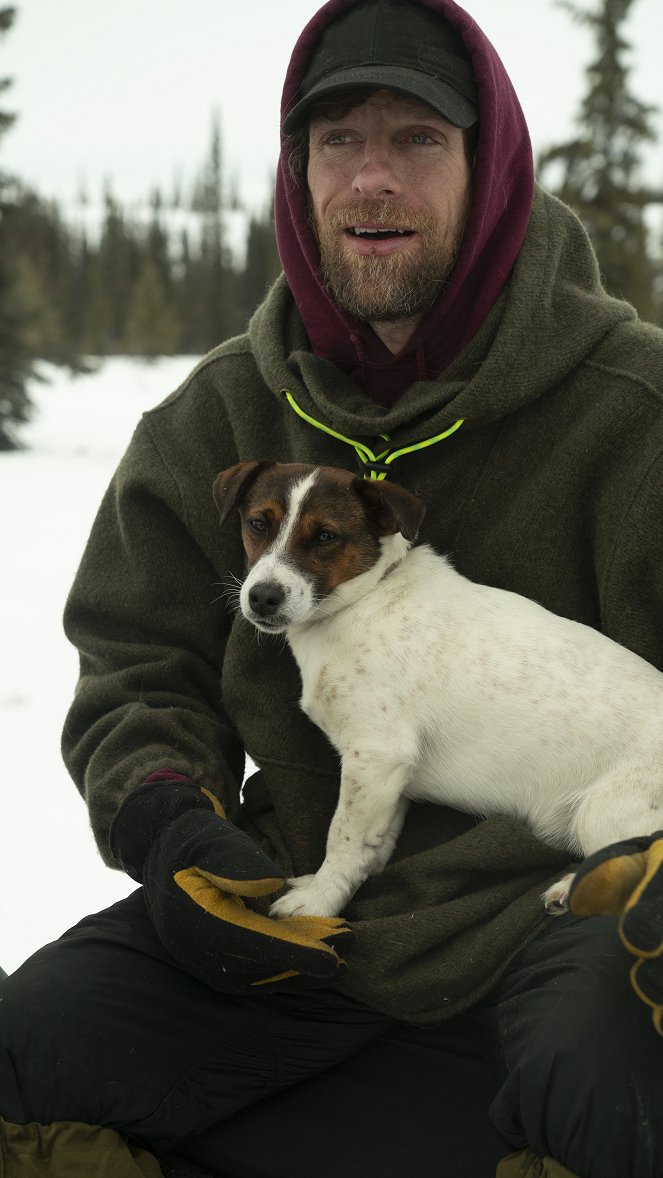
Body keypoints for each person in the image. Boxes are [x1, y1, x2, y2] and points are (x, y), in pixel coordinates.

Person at [1, 0, 663, 1175]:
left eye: (418, 140)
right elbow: (135, 661)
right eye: (336, 142)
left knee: (621, 1075)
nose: (371, 180)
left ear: (491, 163)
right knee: (27, 1047)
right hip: (308, 905)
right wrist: (173, 820)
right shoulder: (214, 415)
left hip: (571, 902)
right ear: (296, 172)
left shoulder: (633, 407)